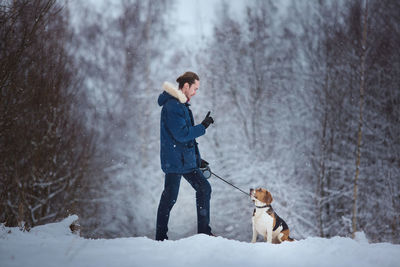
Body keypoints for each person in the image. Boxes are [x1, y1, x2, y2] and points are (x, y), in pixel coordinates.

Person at [156, 71, 214, 241]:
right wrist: (203, 126)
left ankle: (204, 234)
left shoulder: (181, 105)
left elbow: (186, 140)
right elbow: (182, 134)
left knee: (204, 188)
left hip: (185, 161)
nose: (196, 92)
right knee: (169, 198)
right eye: (195, 88)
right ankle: (160, 238)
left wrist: (197, 159)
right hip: (175, 162)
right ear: (186, 86)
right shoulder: (173, 106)